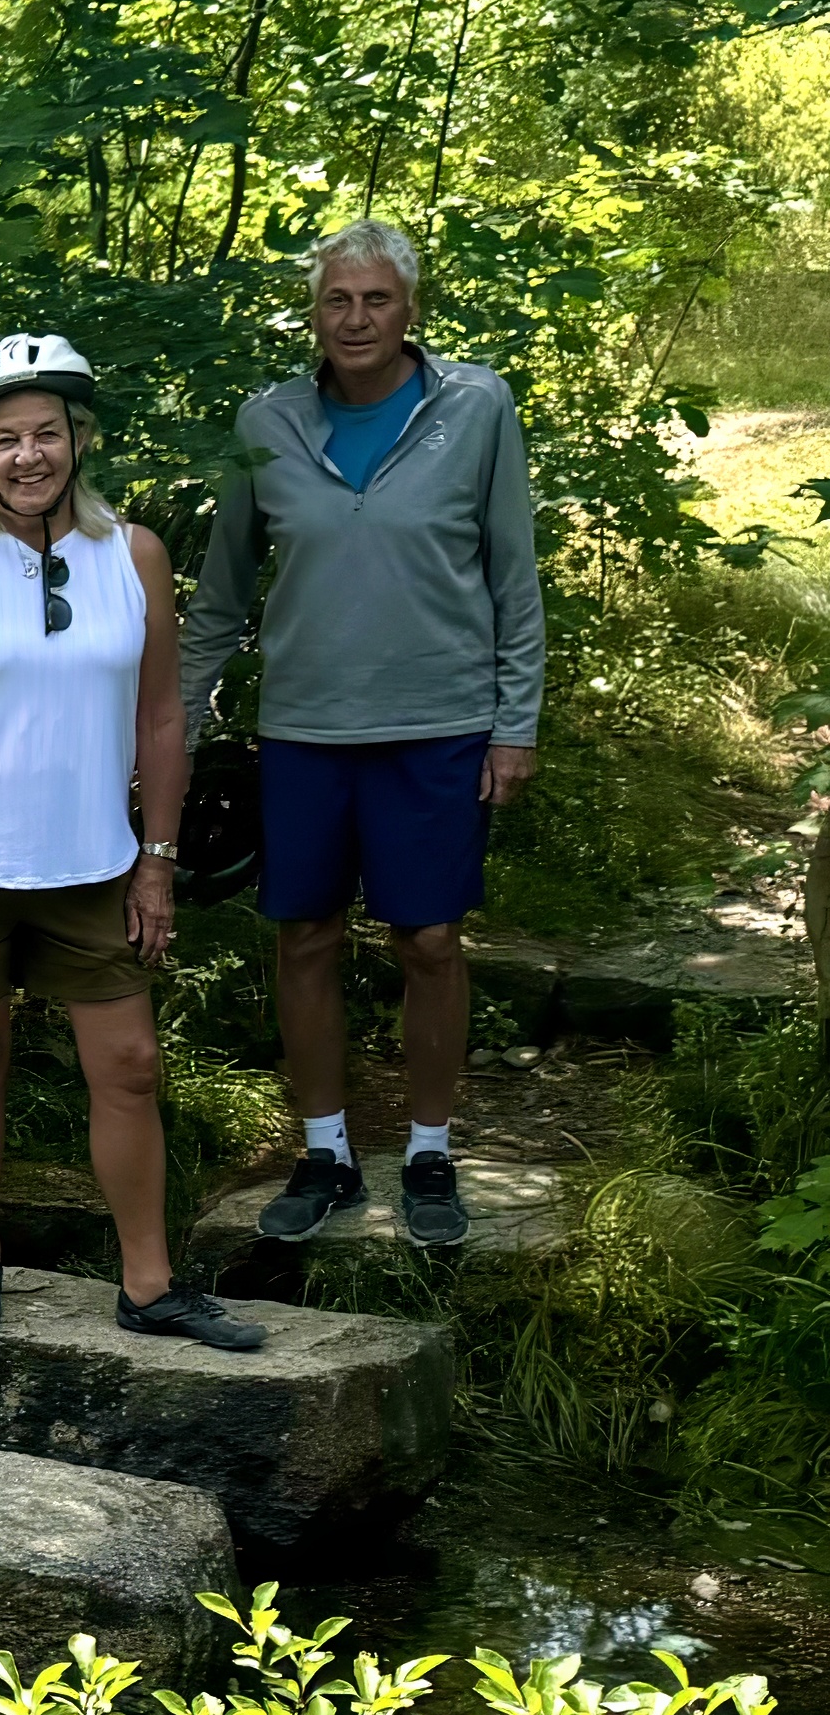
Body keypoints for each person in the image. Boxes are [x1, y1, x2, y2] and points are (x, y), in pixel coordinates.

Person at [0, 337, 266, 1350]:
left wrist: (159, 861)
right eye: (5, 439)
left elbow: (162, 720)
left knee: (127, 1064)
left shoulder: (130, 555)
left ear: (79, 441)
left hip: (92, 861)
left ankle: (148, 1279)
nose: (27, 456)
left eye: (46, 434)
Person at [179, 221, 545, 1249]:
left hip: (438, 726)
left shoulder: (473, 410)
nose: (354, 319)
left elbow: (512, 580)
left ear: (409, 309)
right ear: (313, 311)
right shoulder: (269, 420)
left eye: (374, 300)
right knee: (304, 936)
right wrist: (165, 729)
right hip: (301, 730)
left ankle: (429, 1149)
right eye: (336, 300)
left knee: (427, 938)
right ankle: (326, 1151)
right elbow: (219, 594)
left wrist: (513, 726)